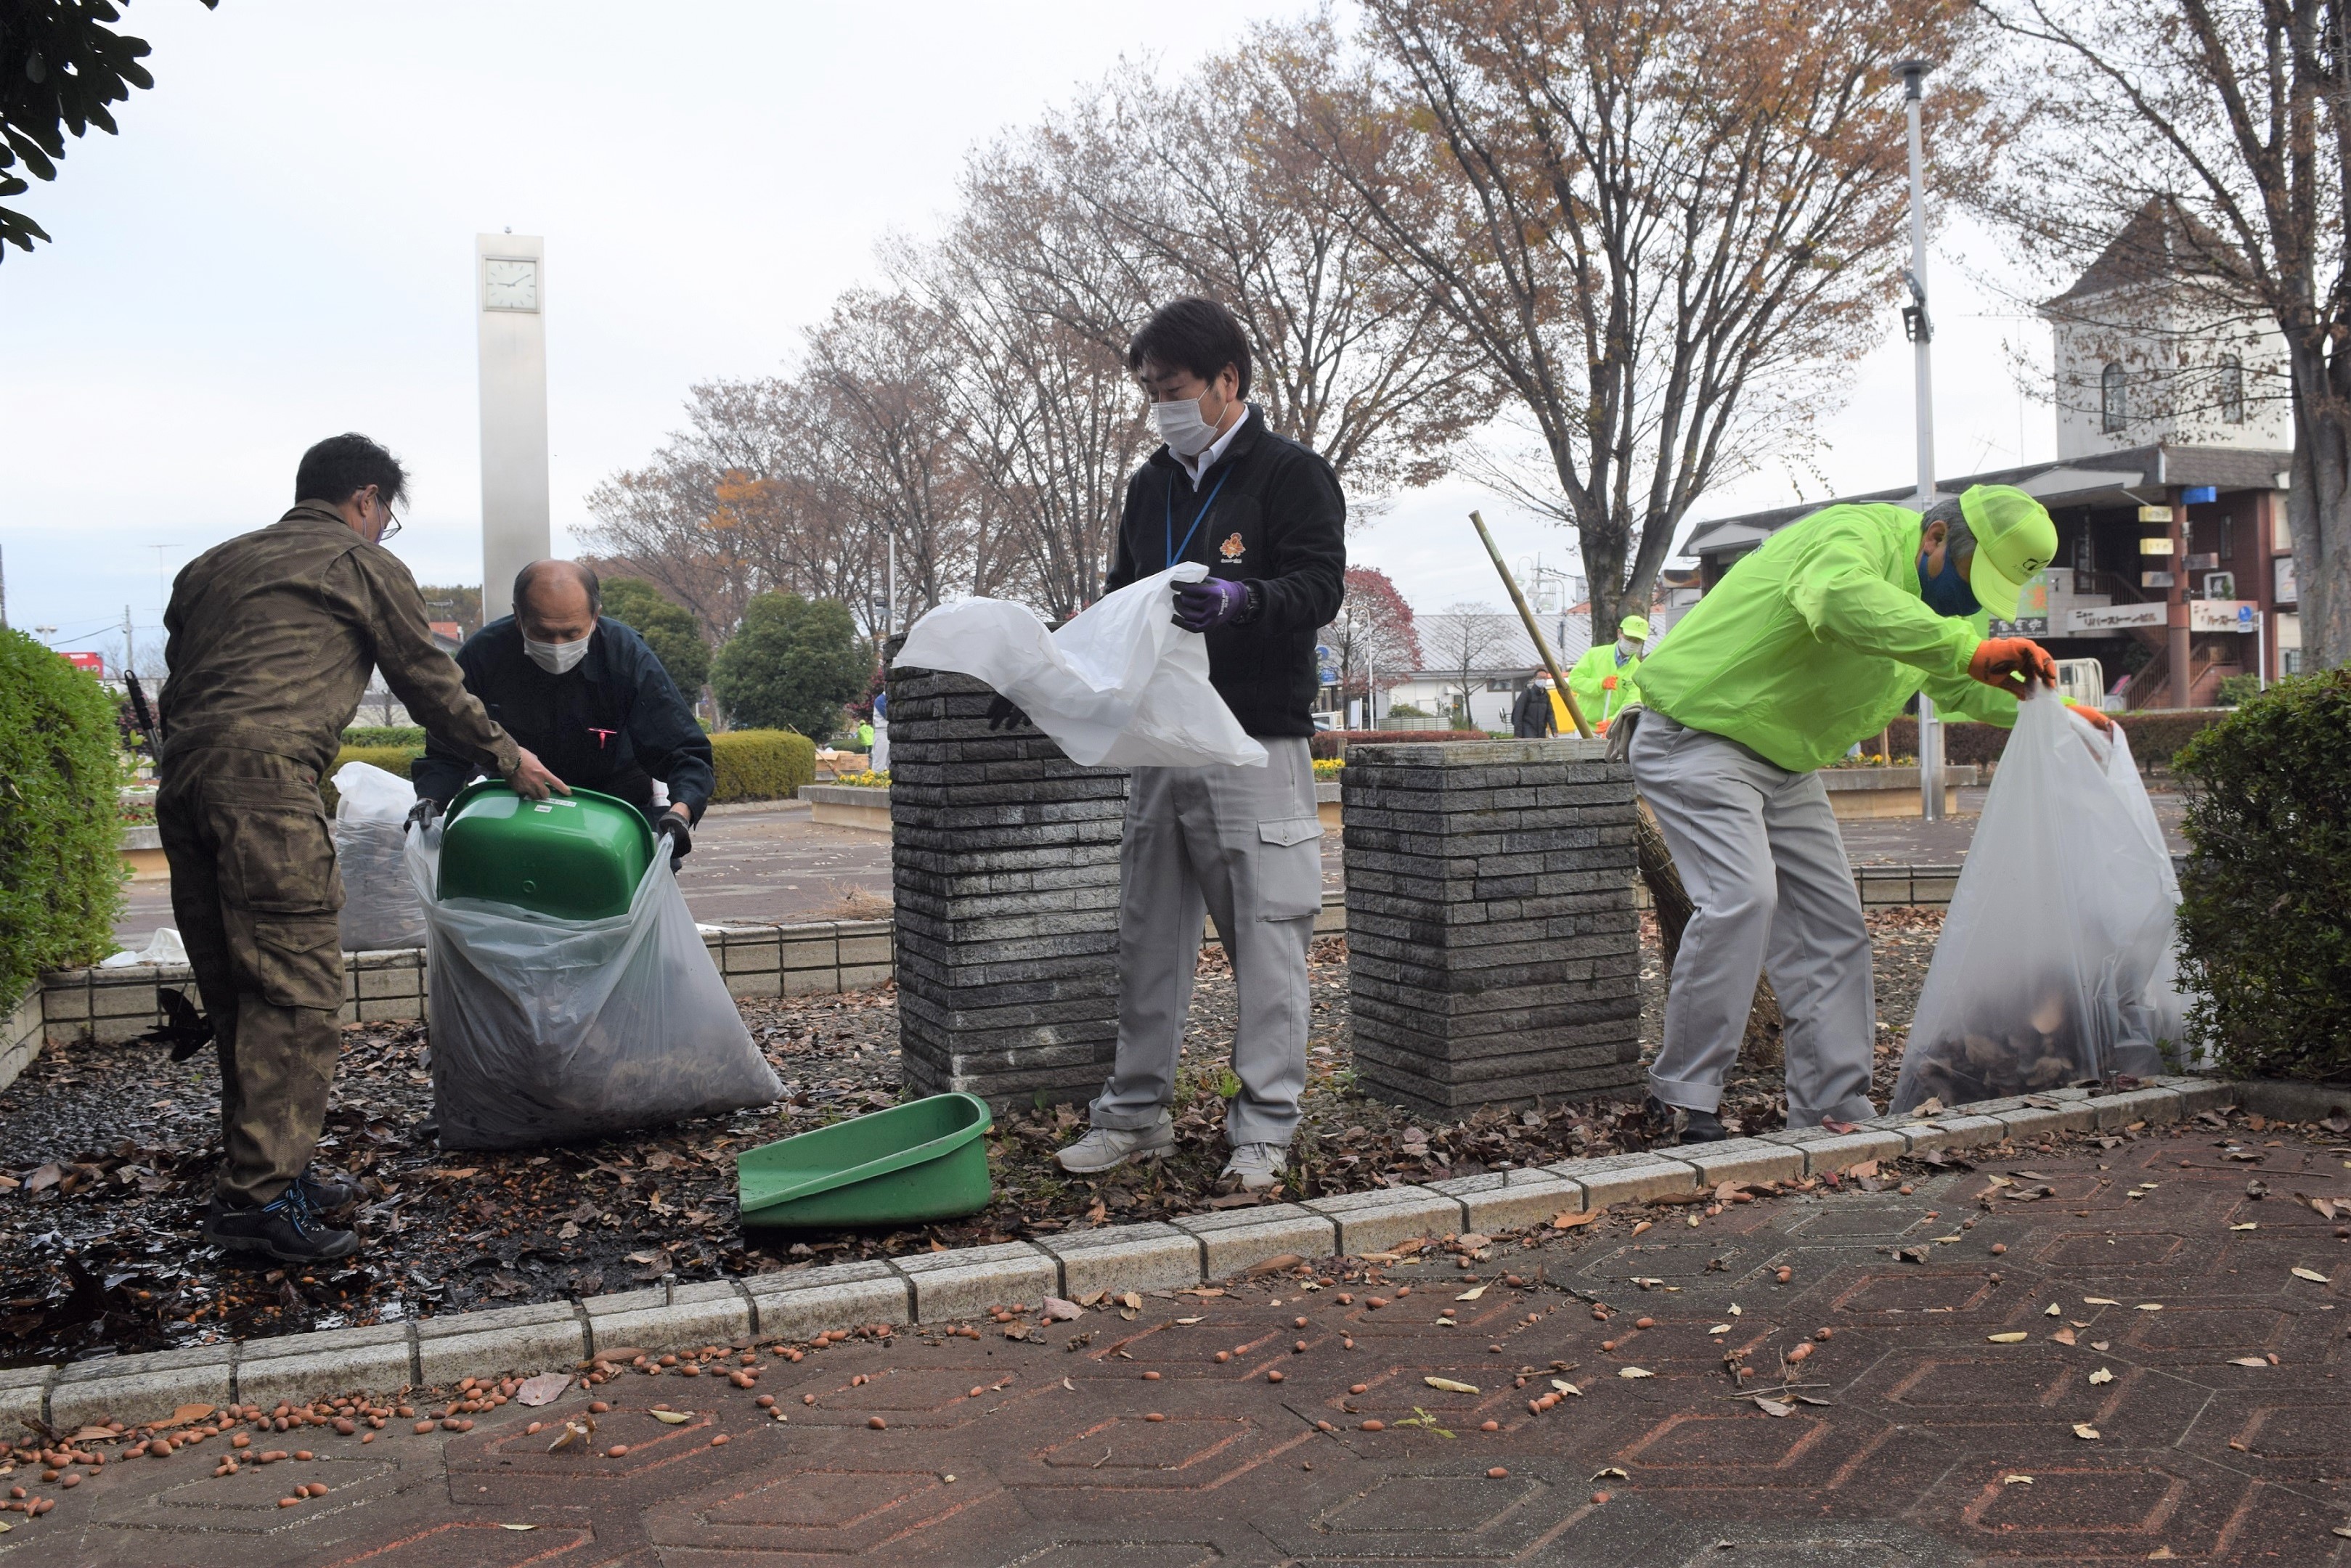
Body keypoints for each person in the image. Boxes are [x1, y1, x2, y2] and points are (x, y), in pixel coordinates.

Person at [158, 434, 563, 1262]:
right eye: (386, 518)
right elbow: (429, 682)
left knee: (239, 994)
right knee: (294, 997)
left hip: (185, 782)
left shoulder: (211, 565)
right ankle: (260, 1202)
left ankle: (271, 1171)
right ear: (367, 500)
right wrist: (507, 758)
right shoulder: (357, 562)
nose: (382, 531)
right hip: (265, 786)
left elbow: (191, 664)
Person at [1619, 485, 2113, 1144]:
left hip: (1786, 761)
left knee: (1833, 927)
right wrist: (1964, 651)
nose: (1970, 606)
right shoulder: (1855, 536)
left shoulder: (1947, 612)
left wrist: (2050, 714)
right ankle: (1683, 1097)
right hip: (1697, 732)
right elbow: (1840, 601)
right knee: (1742, 897)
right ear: (1934, 538)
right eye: (1972, 581)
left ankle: (1831, 1106)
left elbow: (1960, 679)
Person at [1053, 296, 1346, 1193]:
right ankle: (1135, 1115)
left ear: (1227, 382)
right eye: (1147, 390)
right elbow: (1119, 596)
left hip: (1252, 744)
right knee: (1147, 938)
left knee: (1267, 938)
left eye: (1171, 388)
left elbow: (1319, 587)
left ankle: (1263, 1129)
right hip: (1160, 744)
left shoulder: (1289, 473)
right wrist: (1056, 669)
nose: (1158, 405)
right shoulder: (1151, 484)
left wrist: (1242, 598)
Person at [411, 560, 712, 864]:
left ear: (595, 616)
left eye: (571, 634)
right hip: (518, 811)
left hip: (616, 810)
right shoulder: (484, 656)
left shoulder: (627, 656)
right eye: (542, 633)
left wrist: (680, 813)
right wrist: (430, 800)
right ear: (518, 617)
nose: (557, 646)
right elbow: (448, 746)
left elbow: (684, 751)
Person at [1568, 614, 1649, 732]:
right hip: (1584, 726)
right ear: (1619, 633)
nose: (1632, 643)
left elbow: (1632, 702)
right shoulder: (1594, 655)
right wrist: (1600, 684)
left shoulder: (1638, 670)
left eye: (1637, 640)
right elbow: (1574, 681)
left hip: (1613, 729)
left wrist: (1613, 721)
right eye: (1629, 638)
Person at [1510, 674, 1560, 738]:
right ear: (1535, 679)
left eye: (1545, 678)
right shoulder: (1527, 693)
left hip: (1541, 731)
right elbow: (1518, 713)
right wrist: (1518, 734)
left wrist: (1554, 729)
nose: (1543, 680)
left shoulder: (1546, 696)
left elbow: (1550, 714)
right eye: (1540, 678)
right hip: (1527, 731)